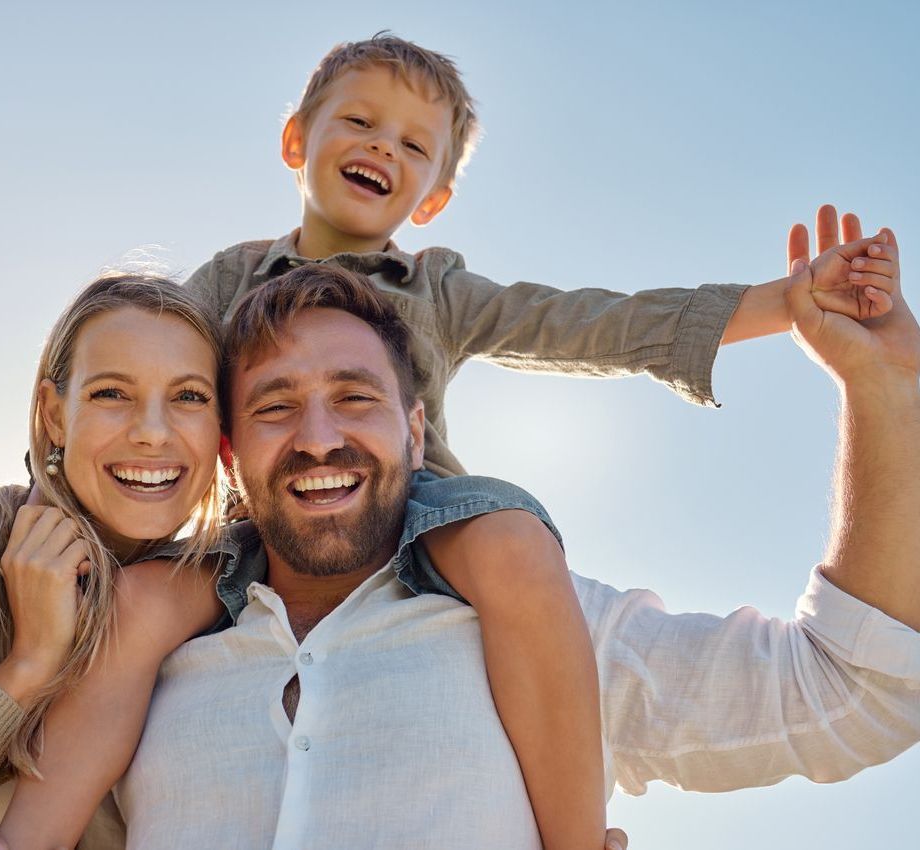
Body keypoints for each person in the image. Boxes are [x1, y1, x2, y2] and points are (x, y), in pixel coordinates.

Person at [181, 32, 898, 840]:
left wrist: (783, 302)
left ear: (431, 198)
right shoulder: (225, 282)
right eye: (359, 121)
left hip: (421, 518)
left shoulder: (437, 290)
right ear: (295, 141)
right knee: (127, 607)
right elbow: (140, 365)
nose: (383, 145)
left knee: (515, 542)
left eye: (414, 145)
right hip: (245, 526)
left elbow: (586, 323)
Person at [0, 247, 919, 849]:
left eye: (357, 397)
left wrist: (882, 396)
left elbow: (856, 693)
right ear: (228, 453)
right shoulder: (142, 633)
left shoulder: (531, 620)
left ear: (417, 436)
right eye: (274, 406)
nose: (320, 435)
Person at [0, 273, 228, 849]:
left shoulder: (227, 590)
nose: (153, 432)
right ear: (53, 415)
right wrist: (28, 665)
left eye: (189, 397)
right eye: (111, 393)